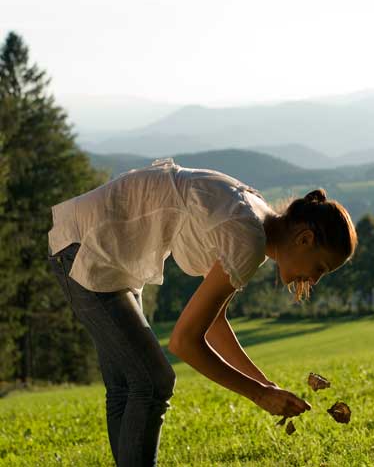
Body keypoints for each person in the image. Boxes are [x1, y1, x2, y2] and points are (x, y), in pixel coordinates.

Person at [47, 157, 357, 466]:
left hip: (103, 248)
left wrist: (265, 386)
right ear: (305, 239)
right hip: (86, 249)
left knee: (129, 385)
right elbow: (184, 341)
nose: (314, 280)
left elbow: (212, 323)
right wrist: (258, 395)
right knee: (153, 381)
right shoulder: (248, 239)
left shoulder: (256, 219)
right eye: (320, 268)